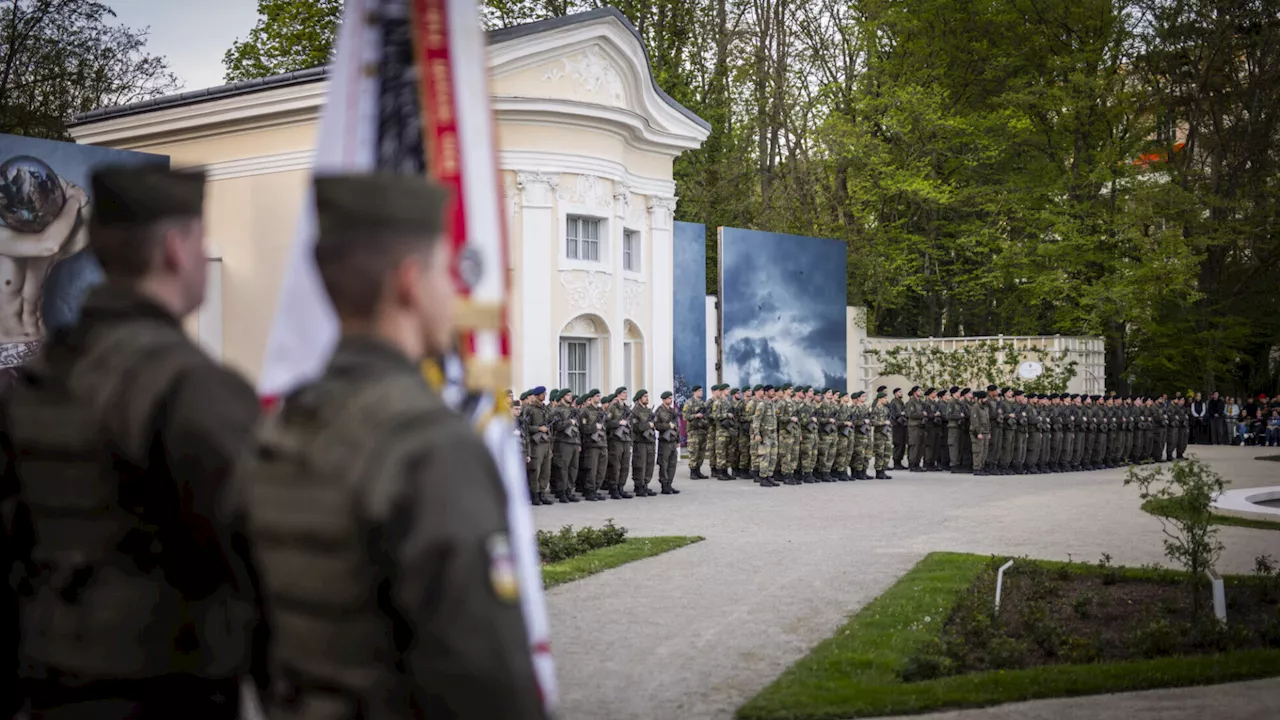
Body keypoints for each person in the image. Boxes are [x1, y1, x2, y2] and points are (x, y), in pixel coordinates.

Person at [230, 174, 545, 719]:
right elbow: (486, 678)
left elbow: (254, 633)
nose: (455, 292)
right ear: (408, 283)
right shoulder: (430, 446)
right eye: (445, 273)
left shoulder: (276, 429)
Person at [2, 166, 266, 719]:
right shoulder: (194, 389)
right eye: (200, 240)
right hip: (165, 691)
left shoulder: (39, 383)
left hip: (48, 685)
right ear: (175, 249)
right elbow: (260, 554)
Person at [523, 386, 554, 505]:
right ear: (537, 395)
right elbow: (526, 427)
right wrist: (538, 428)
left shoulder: (545, 409)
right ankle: (534, 494)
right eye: (543, 394)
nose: (545, 395)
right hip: (536, 443)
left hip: (546, 442)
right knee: (536, 470)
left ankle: (542, 493)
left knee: (545, 471)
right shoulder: (529, 409)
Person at [550, 389, 582, 504]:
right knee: (563, 468)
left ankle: (569, 491)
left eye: (570, 394)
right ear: (562, 396)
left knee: (573, 468)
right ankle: (562, 492)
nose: (570, 396)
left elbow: (577, 429)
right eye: (568, 395)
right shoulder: (557, 410)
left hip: (573, 442)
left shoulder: (573, 410)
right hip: (563, 442)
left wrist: (578, 443)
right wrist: (569, 422)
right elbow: (556, 426)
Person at [629, 389, 658, 496]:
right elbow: (636, 427)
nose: (647, 398)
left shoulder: (649, 410)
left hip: (650, 440)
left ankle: (645, 484)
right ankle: (638, 486)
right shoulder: (635, 411)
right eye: (645, 396)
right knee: (640, 464)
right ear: (639, 398)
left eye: (647, 396)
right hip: (640, 441)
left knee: (649, 464)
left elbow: (655, 423)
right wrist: (648, 425)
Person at [654, 391, 681, 494]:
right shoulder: (659, 411)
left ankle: (670, 483)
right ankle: (664, 485)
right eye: (669, 398)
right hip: (664, 441)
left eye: (671, 398)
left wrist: (678, 440)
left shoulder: (673, 411)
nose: (671, 400)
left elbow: (677, 426)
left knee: (672, 463)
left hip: (673, 440)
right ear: (664, 399)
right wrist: (667, 426)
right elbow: (656, 425)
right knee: (664, 464)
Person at [682, 385, 709, 478]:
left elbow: (706, 415)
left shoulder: (703, 403)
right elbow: (685, 416)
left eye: (701, 390)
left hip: (702, 431)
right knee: (694, 452)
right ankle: (693, 472)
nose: (701, 392)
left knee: (701, 453)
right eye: (699, 391)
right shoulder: (689, 403)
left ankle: (698, 470)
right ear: (694, 392)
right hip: (693, 431)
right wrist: (695, 416)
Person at [969, 390, 991, 475]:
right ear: (979, 399)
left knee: (984, 450)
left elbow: (987, 420)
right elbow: (975, 421)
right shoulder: (975, 407)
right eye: (984, 398)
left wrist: (988, 431)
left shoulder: (985, 407)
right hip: (978, 432)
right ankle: (977, 468)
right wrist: (978, 432)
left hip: (985, 431)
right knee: (978, 450)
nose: (986, 399)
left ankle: (982, 466)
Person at [905, 386, 925, 472]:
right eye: (919, 391)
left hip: (921, 426)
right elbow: (910, 414)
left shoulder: (921, 402)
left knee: (921, 446)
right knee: (914, 446)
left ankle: (917, 463)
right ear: (914, 392)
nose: (921, 392)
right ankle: (912, 464)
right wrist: (922, 414)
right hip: (914, 427)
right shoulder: (911, 402)